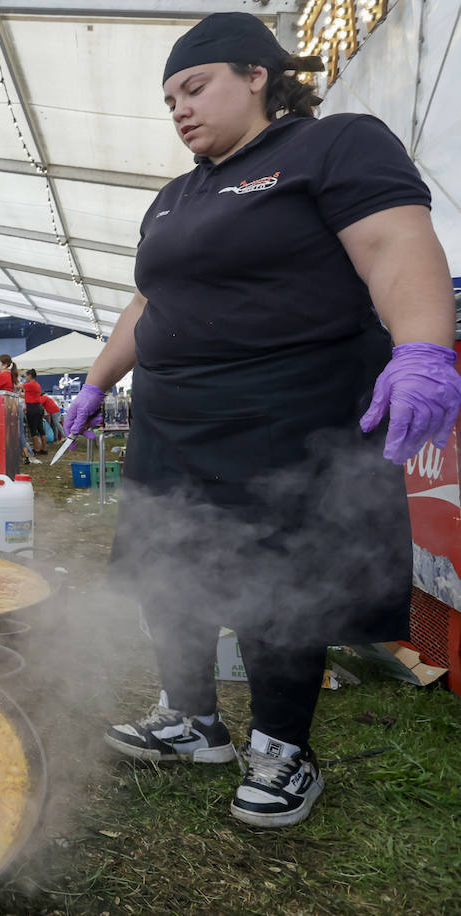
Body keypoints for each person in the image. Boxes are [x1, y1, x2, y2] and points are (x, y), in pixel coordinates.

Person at [63, 13, 461, 829]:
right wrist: (100, 380)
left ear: (257, 76)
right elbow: (151, 301)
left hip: (287, 417)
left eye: (194, 87)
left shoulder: (333, 145)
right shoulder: (176, 198)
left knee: (277, 584)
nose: (179, 109)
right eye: (169, 97)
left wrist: (423, 349)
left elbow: (393, 243)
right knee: (167, 571)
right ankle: (191, 720)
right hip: (174, 422)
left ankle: (282, 750)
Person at [21, 368, 46, 455]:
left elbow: (18, 386)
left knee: (33, 429)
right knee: (40, 429)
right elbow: (27, 396)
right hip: (38, 407)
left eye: (26, 376)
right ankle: (44, 448)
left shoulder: (30, 384)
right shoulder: (36, 385)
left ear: (30, 376)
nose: (25, 377)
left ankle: (37, 449)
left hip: (32, 408)